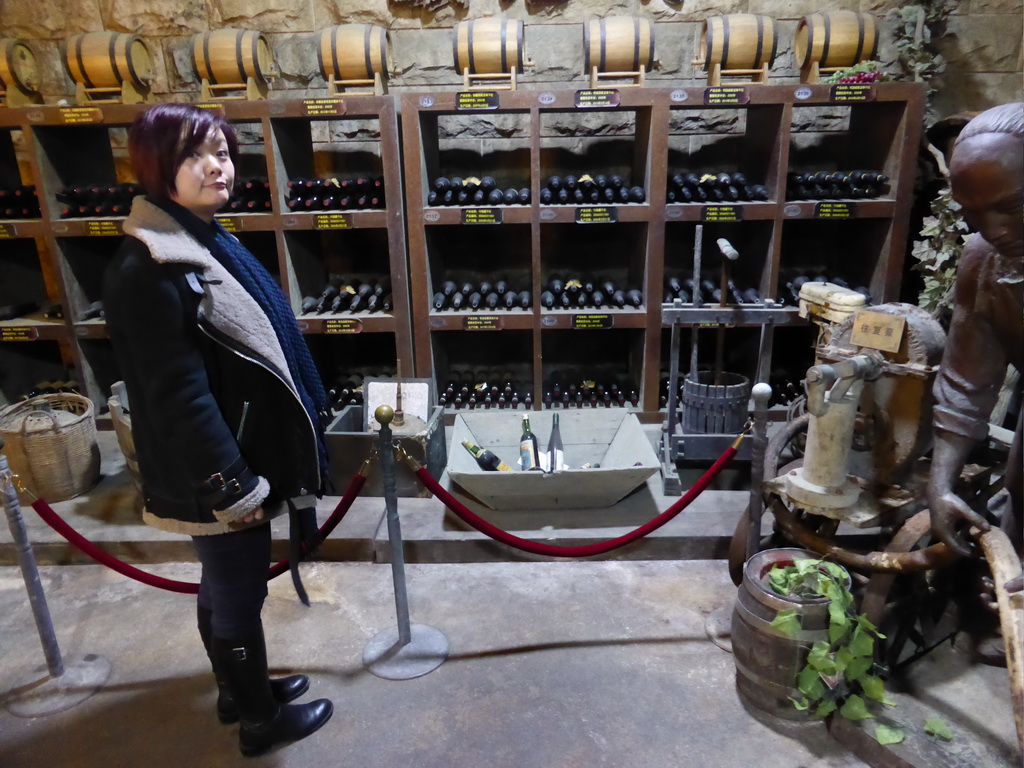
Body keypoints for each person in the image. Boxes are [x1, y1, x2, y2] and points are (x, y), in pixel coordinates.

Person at [103, 104, 334, 757]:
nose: (216, 166)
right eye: (193, 155)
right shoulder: (148, 267)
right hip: (217, 468)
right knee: (236, 589)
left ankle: (240, 689)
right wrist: (230, 482)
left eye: (223, 152)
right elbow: (175, 395)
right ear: (157, 170)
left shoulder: (204, 237)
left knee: (226, 581)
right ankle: (259, 721)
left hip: (236, 453)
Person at [926, 102, 1023, 583]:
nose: (994, 231)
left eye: (1012, 207)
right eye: (972, 214)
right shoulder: (984, 260)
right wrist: (940, 484)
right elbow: (966, 382)